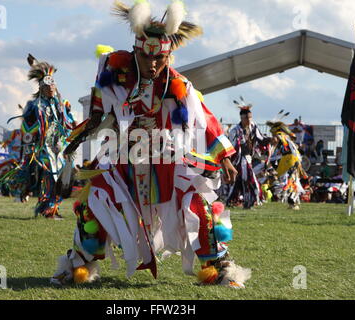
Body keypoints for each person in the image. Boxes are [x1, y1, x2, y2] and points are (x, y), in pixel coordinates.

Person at [51, 0, 251, 289]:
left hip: (168, 162)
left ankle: (219, 267)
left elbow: (205, 120)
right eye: (147, 58)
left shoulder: (179, 86)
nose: (154, 64)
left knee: (198, 203)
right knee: (95, 202)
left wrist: (225, 157)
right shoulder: (113, 81)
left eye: (161, 59)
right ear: (135, 53)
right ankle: (78, 266)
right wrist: (75, 147)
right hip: (123, 162)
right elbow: (97, 119)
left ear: (169, 56)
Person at [2, 54, 74, 218]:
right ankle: (47, 207)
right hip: (42, 147)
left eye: (53, 85)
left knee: (61, 177)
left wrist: (35, 65)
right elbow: (27, 128)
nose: (51, 88)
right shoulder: (35, 106)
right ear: (41, 88)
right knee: (50, 174)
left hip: (58, 147)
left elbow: (68, 123)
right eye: (47, 86)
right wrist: (31, 146)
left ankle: (53, 207)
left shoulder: (60, 105)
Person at [219, 99, 269, 209]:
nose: (249, 120)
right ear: (241, 118)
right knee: (250, 180)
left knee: (239, 182)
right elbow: (230, 147)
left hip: (248, 157)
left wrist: (270, 140)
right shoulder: (235, 131)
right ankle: (248, 202)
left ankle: (231, 200)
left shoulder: (253, 127)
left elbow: (261, 138)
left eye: (250, 117)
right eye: (247, 118)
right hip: (239, 159)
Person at [266, 120, 307, 210]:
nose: (272, 136)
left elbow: (278, 139)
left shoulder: (280, 134)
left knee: (288, 180)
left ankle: (290, 197)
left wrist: (271, 140)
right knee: (292, 180)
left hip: (289, 159)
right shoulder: (286, 136)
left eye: (272, 134)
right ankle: (292, 202)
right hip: (291, 159)